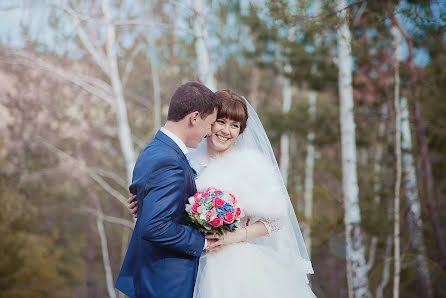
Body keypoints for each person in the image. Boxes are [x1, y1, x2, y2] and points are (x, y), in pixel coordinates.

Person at [129, 89, 316, 298]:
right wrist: (146, 205)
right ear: (208, 123)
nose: (226, 131)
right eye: (220, 122)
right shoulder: (186, 159)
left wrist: (232, 237)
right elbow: (168, 210)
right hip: (185, 264)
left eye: (234, 125)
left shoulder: (251, 165)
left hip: (234, 267)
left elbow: (274, 221)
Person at [115, 82, 221, 298]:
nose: (210, 131)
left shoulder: (156, 149)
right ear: (194, 117)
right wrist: (202, 241)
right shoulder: (168, 160)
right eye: (209, 123)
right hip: (166, 282)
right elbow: (155, 226)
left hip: (155, 276)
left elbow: (157, 214)